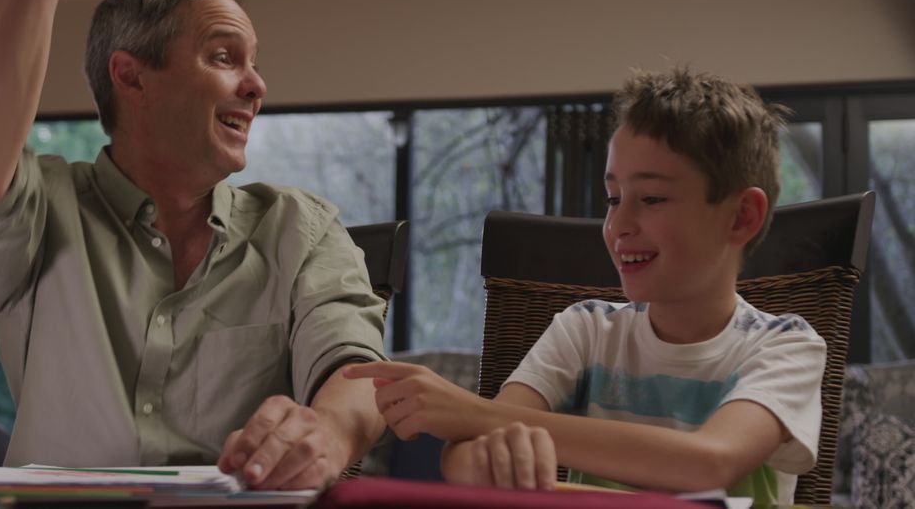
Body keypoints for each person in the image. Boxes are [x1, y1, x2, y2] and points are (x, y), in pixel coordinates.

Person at [0, 0, 386, 489]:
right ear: (132, 77)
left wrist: (327, 430)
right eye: (223, 56)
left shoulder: (300, 227)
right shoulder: (43, 210)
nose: (257, 86)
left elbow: (357, 372)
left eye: (254, 64)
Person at [345, 67, 826, 505]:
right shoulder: (585, 329)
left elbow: (710, 462)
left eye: (652, 198)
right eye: (613, 197)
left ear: (741, 216)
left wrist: (476, 413)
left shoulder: (788, 347)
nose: (619, 224)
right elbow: (464, 455)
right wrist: (490, 454)